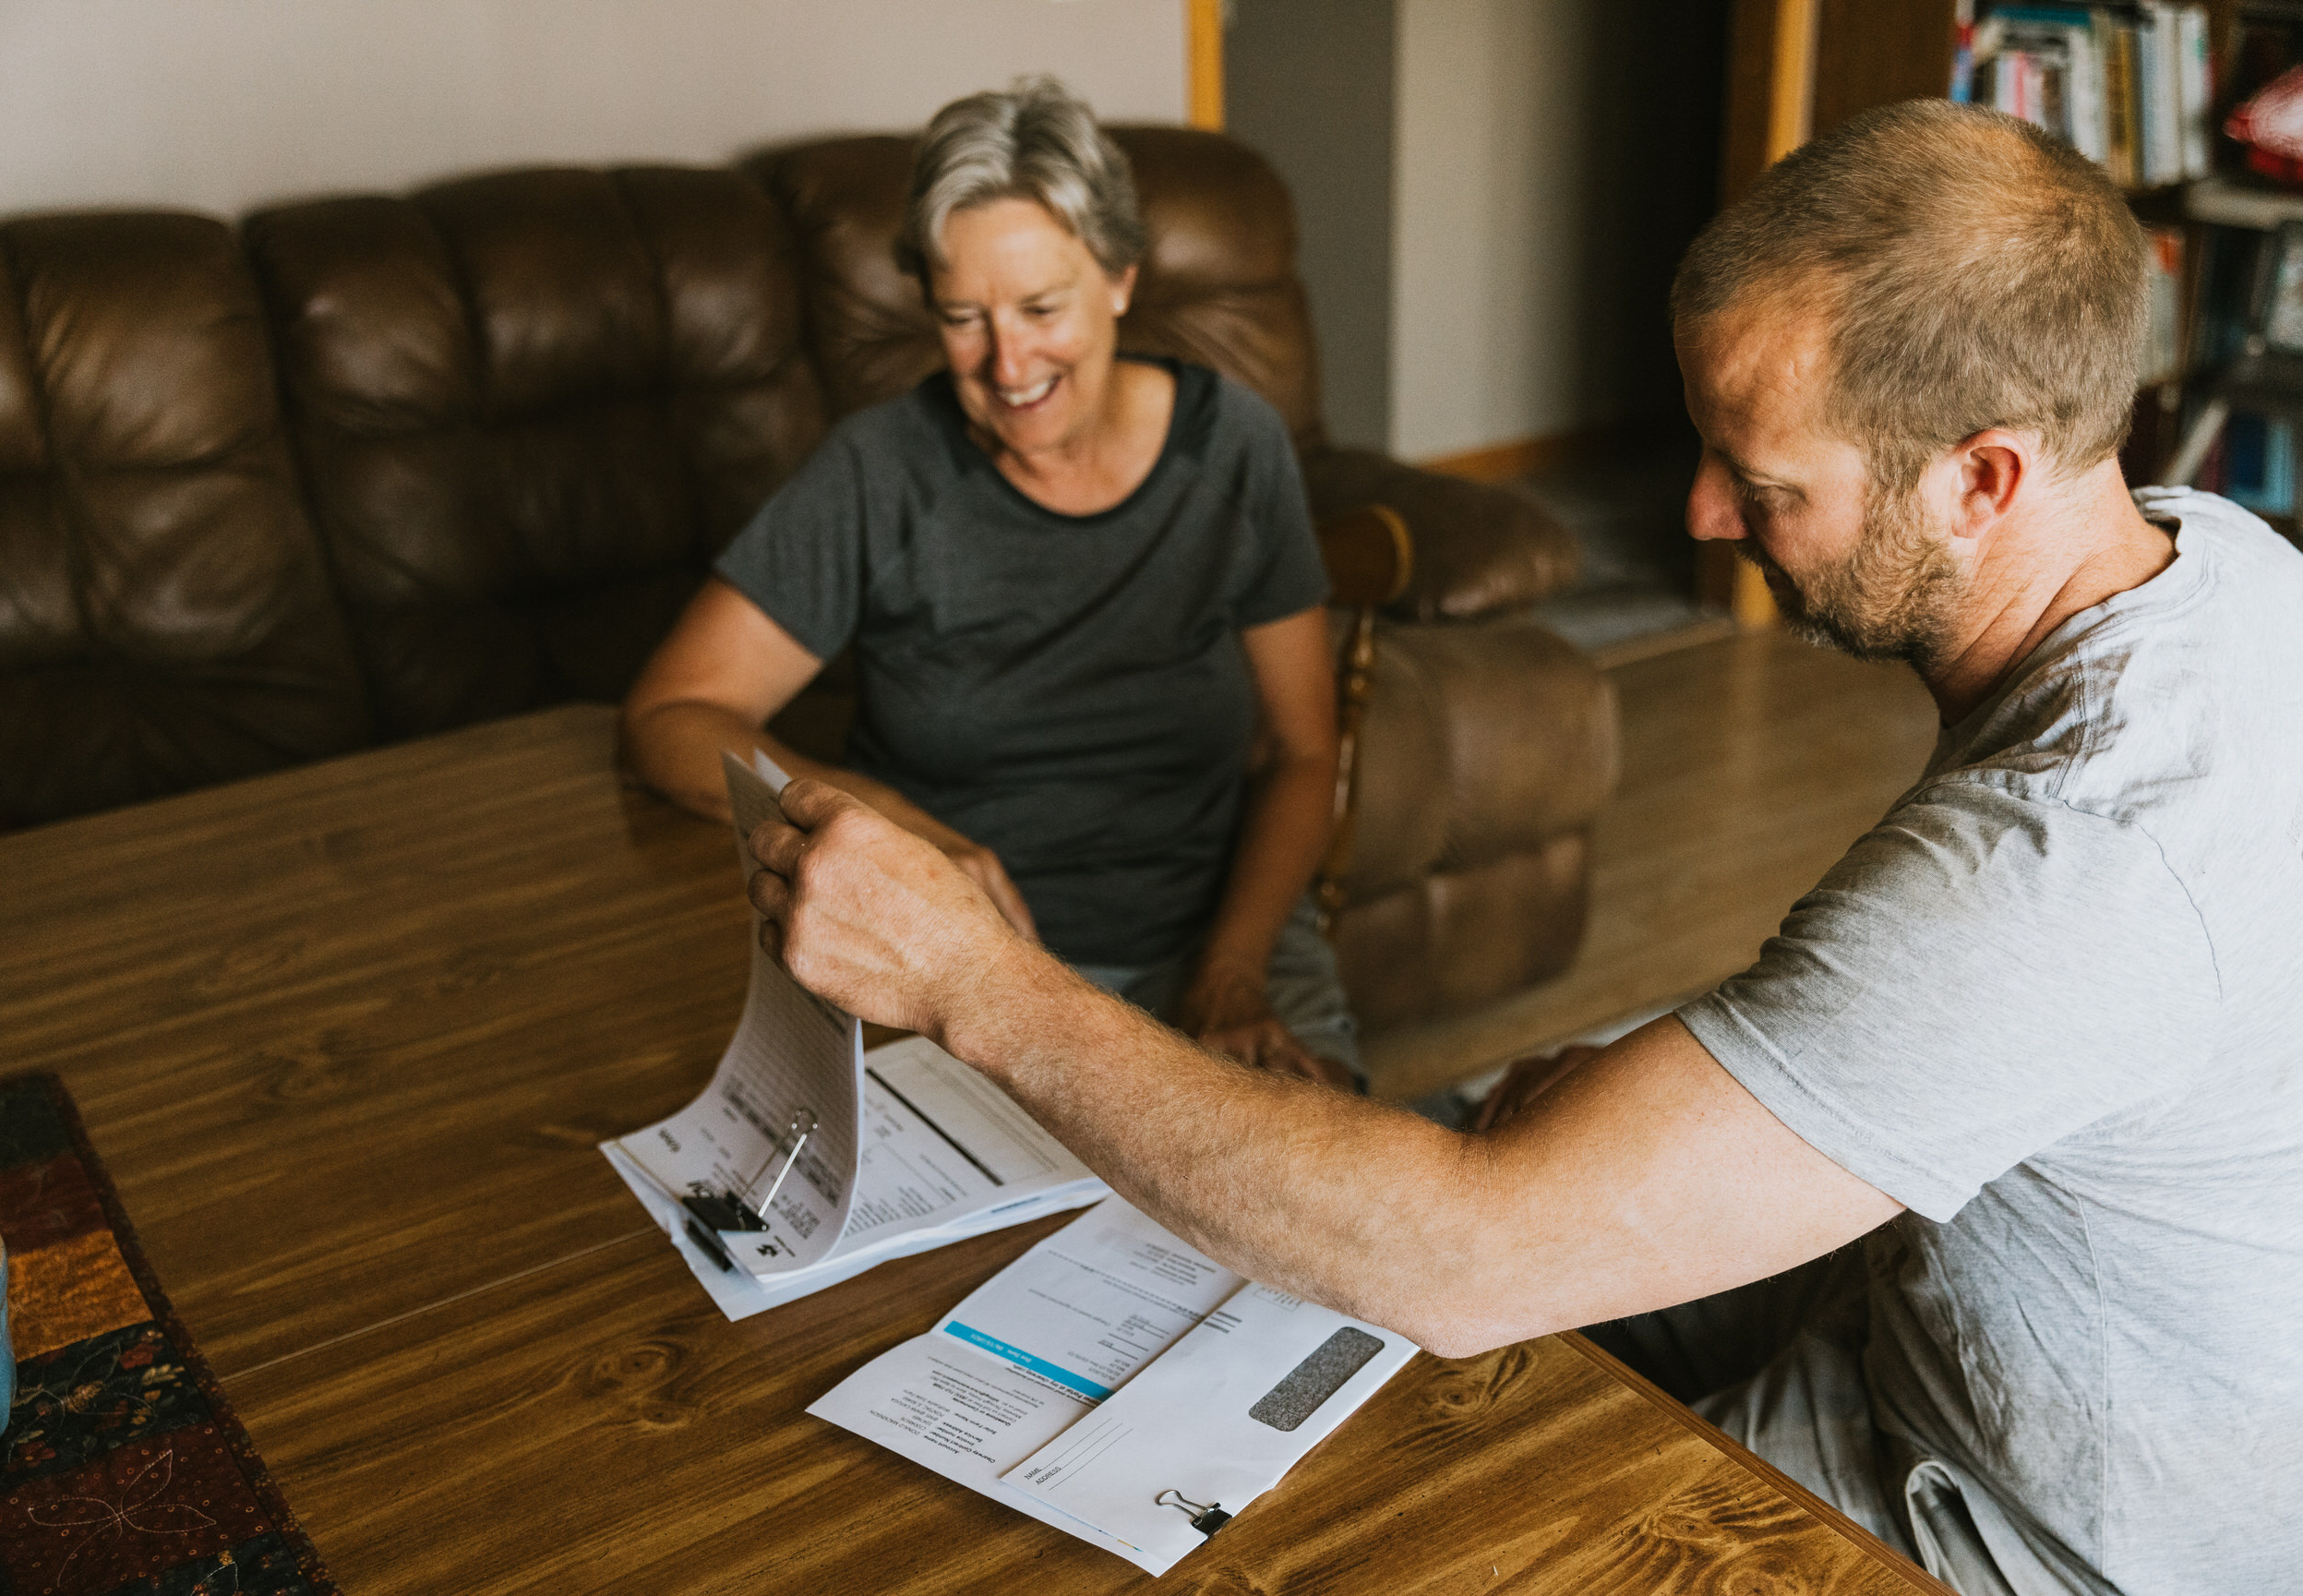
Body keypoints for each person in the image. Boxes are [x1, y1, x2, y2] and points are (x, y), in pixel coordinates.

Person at [736, 100, 2303, 1596]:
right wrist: (1644, 1077)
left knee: (1383, 1475)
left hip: (2015, 1528)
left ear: (1983, 476)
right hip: (1936, 1321)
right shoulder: (2215, 564)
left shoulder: (2070, 859)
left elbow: (1469, 1257)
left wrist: (972, 980)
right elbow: (1973, 1004)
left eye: (1759, 481)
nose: (1693, 513)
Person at [621, 78, 1359, 1088]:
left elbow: (1303, 747)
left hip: (1217, 946)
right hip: (961, 964)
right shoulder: (878, 470)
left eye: (1042, 307)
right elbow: (670, 713)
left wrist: (1230, 969)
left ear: (1121, 279)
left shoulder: (1234, 447)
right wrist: (903, 832)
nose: (1008, 361)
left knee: (1306, 1231)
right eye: (963, 316)